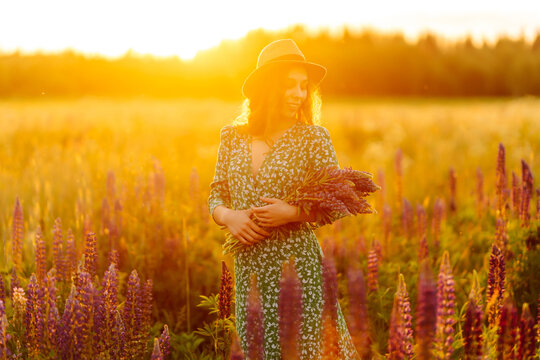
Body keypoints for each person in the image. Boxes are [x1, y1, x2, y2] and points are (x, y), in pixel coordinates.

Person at [208, 39, 360, 359]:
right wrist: (228, 216)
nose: (299, 94)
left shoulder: (313, 138)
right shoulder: (232, 137)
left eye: (304, 87)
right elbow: (217, 194)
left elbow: (337, 202)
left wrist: (290, 212)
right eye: (289, 85)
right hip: (250, 269)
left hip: (299, 268)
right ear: (267, 87)